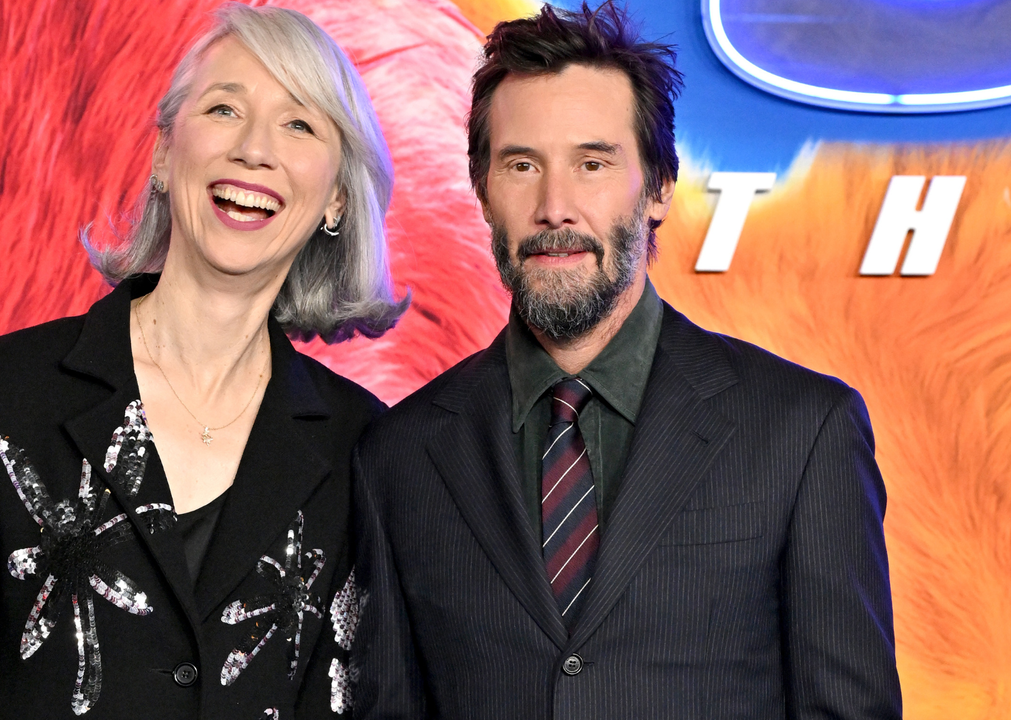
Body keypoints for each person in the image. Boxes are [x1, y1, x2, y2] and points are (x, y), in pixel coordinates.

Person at [350, 4, 902, 719]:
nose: (556, 206)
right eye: (522, 165)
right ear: (484, 192)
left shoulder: (804, 432)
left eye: (593, 163)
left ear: (660, 189)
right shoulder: (400, 457)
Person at [0, 5, 405, 719]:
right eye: (224, 108)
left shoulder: (365, 447)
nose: (255, 149)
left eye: (299, 124)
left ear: (337, 195)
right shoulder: (5, 392)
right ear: (163, 153)